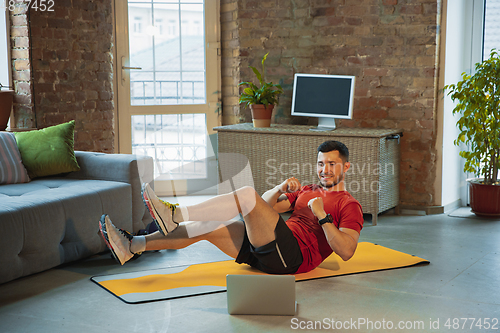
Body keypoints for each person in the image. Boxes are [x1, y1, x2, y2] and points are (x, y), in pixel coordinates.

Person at [99, 140, 364, 274]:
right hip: (270, 246)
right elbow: (263, 207)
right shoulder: (308, 191)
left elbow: (347, 251)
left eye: (331, 164)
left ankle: (174, 214)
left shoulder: (349, 205)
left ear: (346, 167)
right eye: (320, 164)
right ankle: (133, 246)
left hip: (291, 258)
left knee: (246, 193)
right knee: (209, 226)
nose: (324, 170)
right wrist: (280, 188)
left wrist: (322, 216)